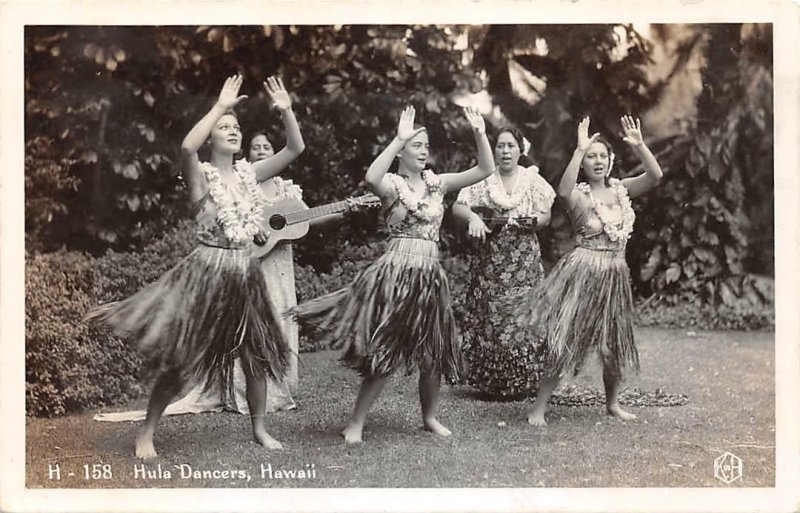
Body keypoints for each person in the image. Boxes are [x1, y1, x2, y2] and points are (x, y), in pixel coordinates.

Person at [87, 75, 303, 458]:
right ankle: (147, 433)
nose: (233, 131)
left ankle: (258, 429)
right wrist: (220, 106)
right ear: (212, 138)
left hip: (245, 273)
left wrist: (286, 110)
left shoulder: (248, 174)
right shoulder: (201, 176)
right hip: (207, 271)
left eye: (236, 127)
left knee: (256, 353)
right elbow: (187, 146)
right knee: (181, 358)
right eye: (225, 128)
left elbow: (294, 148)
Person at [288, 105, 495, 444]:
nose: (424, 149)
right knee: (386, 351)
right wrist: (398, 138)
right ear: (401, 151)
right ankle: (355, 422)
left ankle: (429, 417)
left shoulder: (437, 184)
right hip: (397, 273)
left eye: (426, 144)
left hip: (430, 275)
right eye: (417, 145)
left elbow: (485, 168)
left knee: (433, 352)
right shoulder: (392, 186)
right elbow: (370, 178)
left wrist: (479, 132)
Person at [514, 115, 663, 426]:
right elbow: (563, 191)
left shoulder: (622, 190)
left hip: (615, 272)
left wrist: (639, 145)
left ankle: (612, 404)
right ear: (584, 164)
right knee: (565, 338)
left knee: (613, 341)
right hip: (584, 271)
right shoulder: (581, 195)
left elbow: (655, 175)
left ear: (610, 161)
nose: (597, 161)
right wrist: (579, 149)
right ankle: (538, 408)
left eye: (602, 156)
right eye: (592, 157)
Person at [451, 127, 555, 398]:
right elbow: (458, 207)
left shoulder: (532, 180)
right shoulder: (484, 178)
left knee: (524, 317)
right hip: (491, 260)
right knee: (492, 317)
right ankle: (492, 384)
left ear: (521, 150)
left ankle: (525, 382)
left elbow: (546, 214)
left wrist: (535, 222)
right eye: (500, 146)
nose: (505, 151)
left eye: (511, 145)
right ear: (494, 150)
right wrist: (473, 218)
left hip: (523, 259)